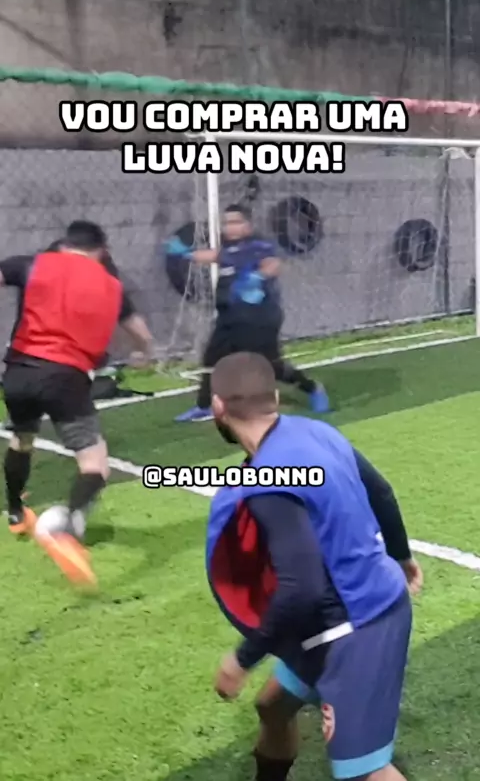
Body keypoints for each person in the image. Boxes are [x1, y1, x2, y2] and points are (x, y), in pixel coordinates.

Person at [205, 352, 423, 781]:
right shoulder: (315, 431)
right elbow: (380, 491)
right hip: (345, 612)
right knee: (272, 706)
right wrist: (402, 556)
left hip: (357, 627)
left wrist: (241, 659)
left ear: (218, 407)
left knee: (365, 772)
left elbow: (299, 588)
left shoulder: (269, 480)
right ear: (274, 398)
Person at [0, 220, 155, 585]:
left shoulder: (33, 263)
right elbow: (142, 335)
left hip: (18, 373)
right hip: (65, 378)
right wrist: (144, 354)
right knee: (95, 464)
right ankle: (65, 530)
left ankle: (15, 513)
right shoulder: (112, 286)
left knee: (22, 439)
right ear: (102, 249)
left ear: (66, 243)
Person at [165, 203, 329, 422]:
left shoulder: (258, 245)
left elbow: (273, 264)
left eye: (236, 222)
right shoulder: (227, 248)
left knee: (271, 366)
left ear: (248, 225)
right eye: (227, 223)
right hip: (229, 318)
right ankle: (204, 406)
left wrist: (258, 277)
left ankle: (313, 389)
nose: (230, 227)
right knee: (212, 359)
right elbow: (214, 256)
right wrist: (184, 253)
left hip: (259, 318)